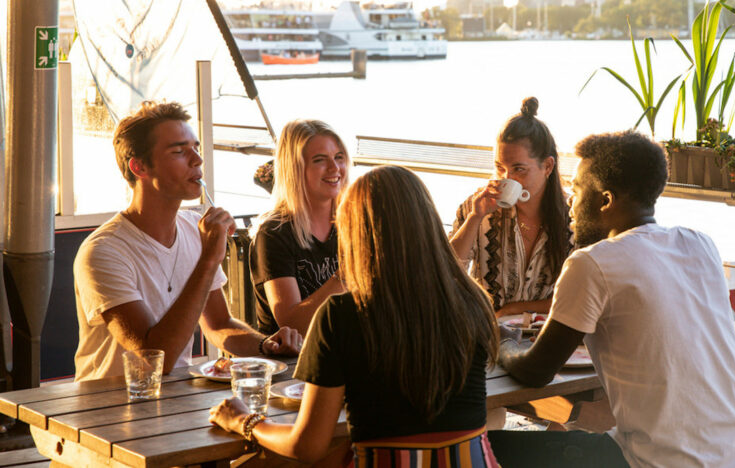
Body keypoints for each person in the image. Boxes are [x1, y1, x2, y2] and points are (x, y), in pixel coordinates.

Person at [490, 130, 735, 467]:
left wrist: (502, 342)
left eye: (576, 190)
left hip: (657, 463)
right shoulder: (699, 243)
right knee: (568, 437)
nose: (571, 204)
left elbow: (536, 371)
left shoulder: (592, 262)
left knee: (488, 447)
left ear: (604, 201)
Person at [210, 166, 501, 467]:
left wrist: (246, 420)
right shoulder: (473, 302)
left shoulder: (341, 316)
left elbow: (307, 446)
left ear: (356, 235)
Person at [73, 101, 302, 382]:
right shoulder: (104, 251)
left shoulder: (194, 230)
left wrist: (263, 345)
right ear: (139, 166)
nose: (197, 159)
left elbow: (218, 324)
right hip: (107, 409)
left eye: (195, 148)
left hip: (175, 400)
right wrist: (209, 260)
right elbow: (155, 358)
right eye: (180, 151)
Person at [450, 97, 572, 317]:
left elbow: (578, 296)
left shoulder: (574, 216)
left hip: (543, 334)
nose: (507, 178)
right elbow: (448, 273)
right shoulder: (476, 207)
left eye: (519, 169)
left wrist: (513, 309)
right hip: (487, 329)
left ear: (547, 166)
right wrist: (474, 219)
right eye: (500, 168)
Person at [249, 120, 347, 336]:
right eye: (319, 160)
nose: (334, 168)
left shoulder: (353, 222)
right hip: (292, 362)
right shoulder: (274, 232)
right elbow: (292, 325)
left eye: (339, 157)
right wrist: (347, 274)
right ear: (294, 169)